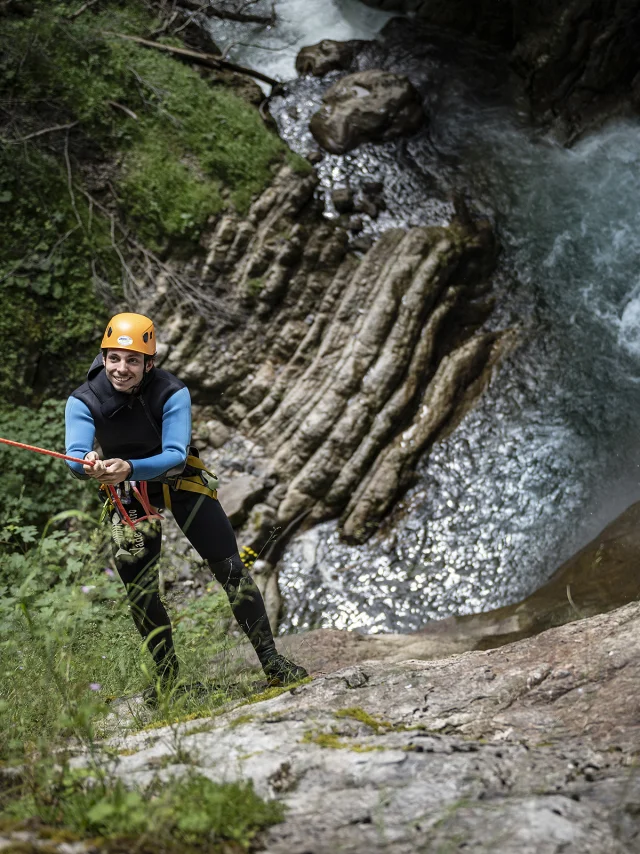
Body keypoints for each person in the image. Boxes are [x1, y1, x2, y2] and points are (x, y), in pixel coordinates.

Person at [65, 312, 307, 704]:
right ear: (104, 357)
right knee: (140, 590)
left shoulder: (171, 391)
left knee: (230, 568)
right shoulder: (83, 400)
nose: (121, 369)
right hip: (126, 490)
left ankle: (272, 663)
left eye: (132, 361)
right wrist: (87, 463)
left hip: (178, 479)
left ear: (149, 363)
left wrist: (131, 467)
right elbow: (74, 458)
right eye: (113, 359)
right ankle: (169, 683)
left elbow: (175, 455)